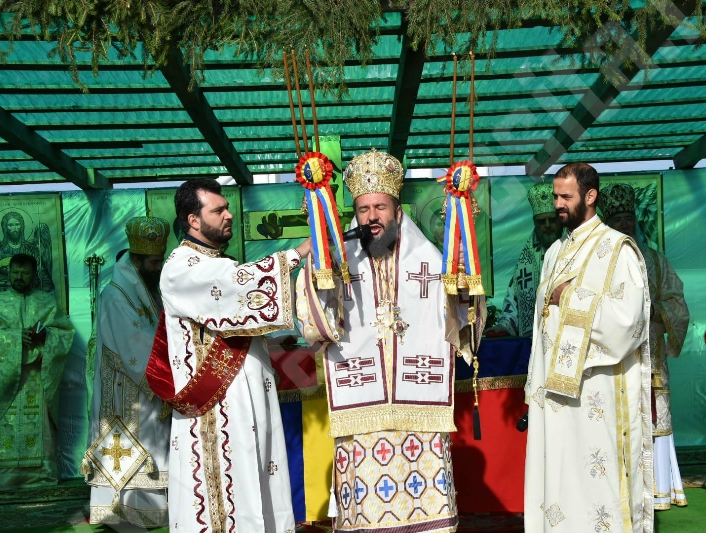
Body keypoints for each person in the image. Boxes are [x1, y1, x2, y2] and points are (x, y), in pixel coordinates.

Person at [296, 148, 483, 533]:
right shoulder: (338, 262)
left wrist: (464, 281)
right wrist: (316, 274)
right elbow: (314, 324)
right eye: (363, 209)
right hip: (360, 404)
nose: (372, 217)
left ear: (397, 213)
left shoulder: (431, 261)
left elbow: (462, 320)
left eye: (380, 208)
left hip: (421, 408)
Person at [145, 178, 310, 533]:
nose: (229, 215)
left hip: (246, 398)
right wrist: (298, 253)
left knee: (258, 477)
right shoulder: (181, 267)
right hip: (216, 406)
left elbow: (234, 311)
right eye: (218, 210)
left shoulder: (216, 262)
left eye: (227, 208)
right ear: (193, 220)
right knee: (224, 491)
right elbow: (236, 284)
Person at [523, 163, 653, 533]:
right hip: (554, 392)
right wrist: (535, 384)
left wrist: (570, 298)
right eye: (555, 197)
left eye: (566, 197)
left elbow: (628, 321)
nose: (558, 205)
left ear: (590, 196)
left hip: (595, 390)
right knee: (559, 472)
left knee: (594, 476)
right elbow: (540, 326)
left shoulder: (618, 250)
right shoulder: (554, 252)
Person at [601, 183, 690, 511]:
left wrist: (656, 312)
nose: (625, 225)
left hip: (651, 356)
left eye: (629, 218)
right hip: (614, 356)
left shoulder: (656, 260)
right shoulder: (600, 262)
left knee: (655, 418)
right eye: (617, 220)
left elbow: (677, 302)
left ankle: (660, 490)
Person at [84, 216, 171, 527]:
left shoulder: (147, 290)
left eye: (160, 261)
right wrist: (172, 366)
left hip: (144, 386)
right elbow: (135, 343)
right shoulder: (116, 295)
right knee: (129, 450)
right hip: (125, 389)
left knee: (151, 445)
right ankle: (122, 513)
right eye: (153, 263)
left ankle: (150, 512)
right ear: (136, 260)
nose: (158, 268)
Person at [0, 253, 74, 490]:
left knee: (39, 425)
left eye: (25, 273)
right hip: (6, 381)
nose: (19, 277)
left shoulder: (45, 302)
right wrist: (13, 337)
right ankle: (5, 477)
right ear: (9, 273)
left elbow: (65, 333)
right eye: (15, 272)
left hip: (37, 379)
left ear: (34, 275)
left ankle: (42, 475)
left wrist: (47, 335)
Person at [486, 182, 562, 338]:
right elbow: (513, 301)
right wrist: (504, 326)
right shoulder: (525, 263)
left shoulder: (573, 250)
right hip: (534, 339)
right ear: (534, 223)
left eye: (552, 219)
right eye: (541, 221)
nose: (547, 225)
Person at [0, 212, 54, 293]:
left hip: (27, 292)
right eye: (11, 225)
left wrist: (45, 287)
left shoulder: (31, 249)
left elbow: (41, 273)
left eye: (17, 224)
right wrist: (4, 283)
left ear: (21, 226)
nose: (15, 228)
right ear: (5, 228)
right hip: (1, 293)